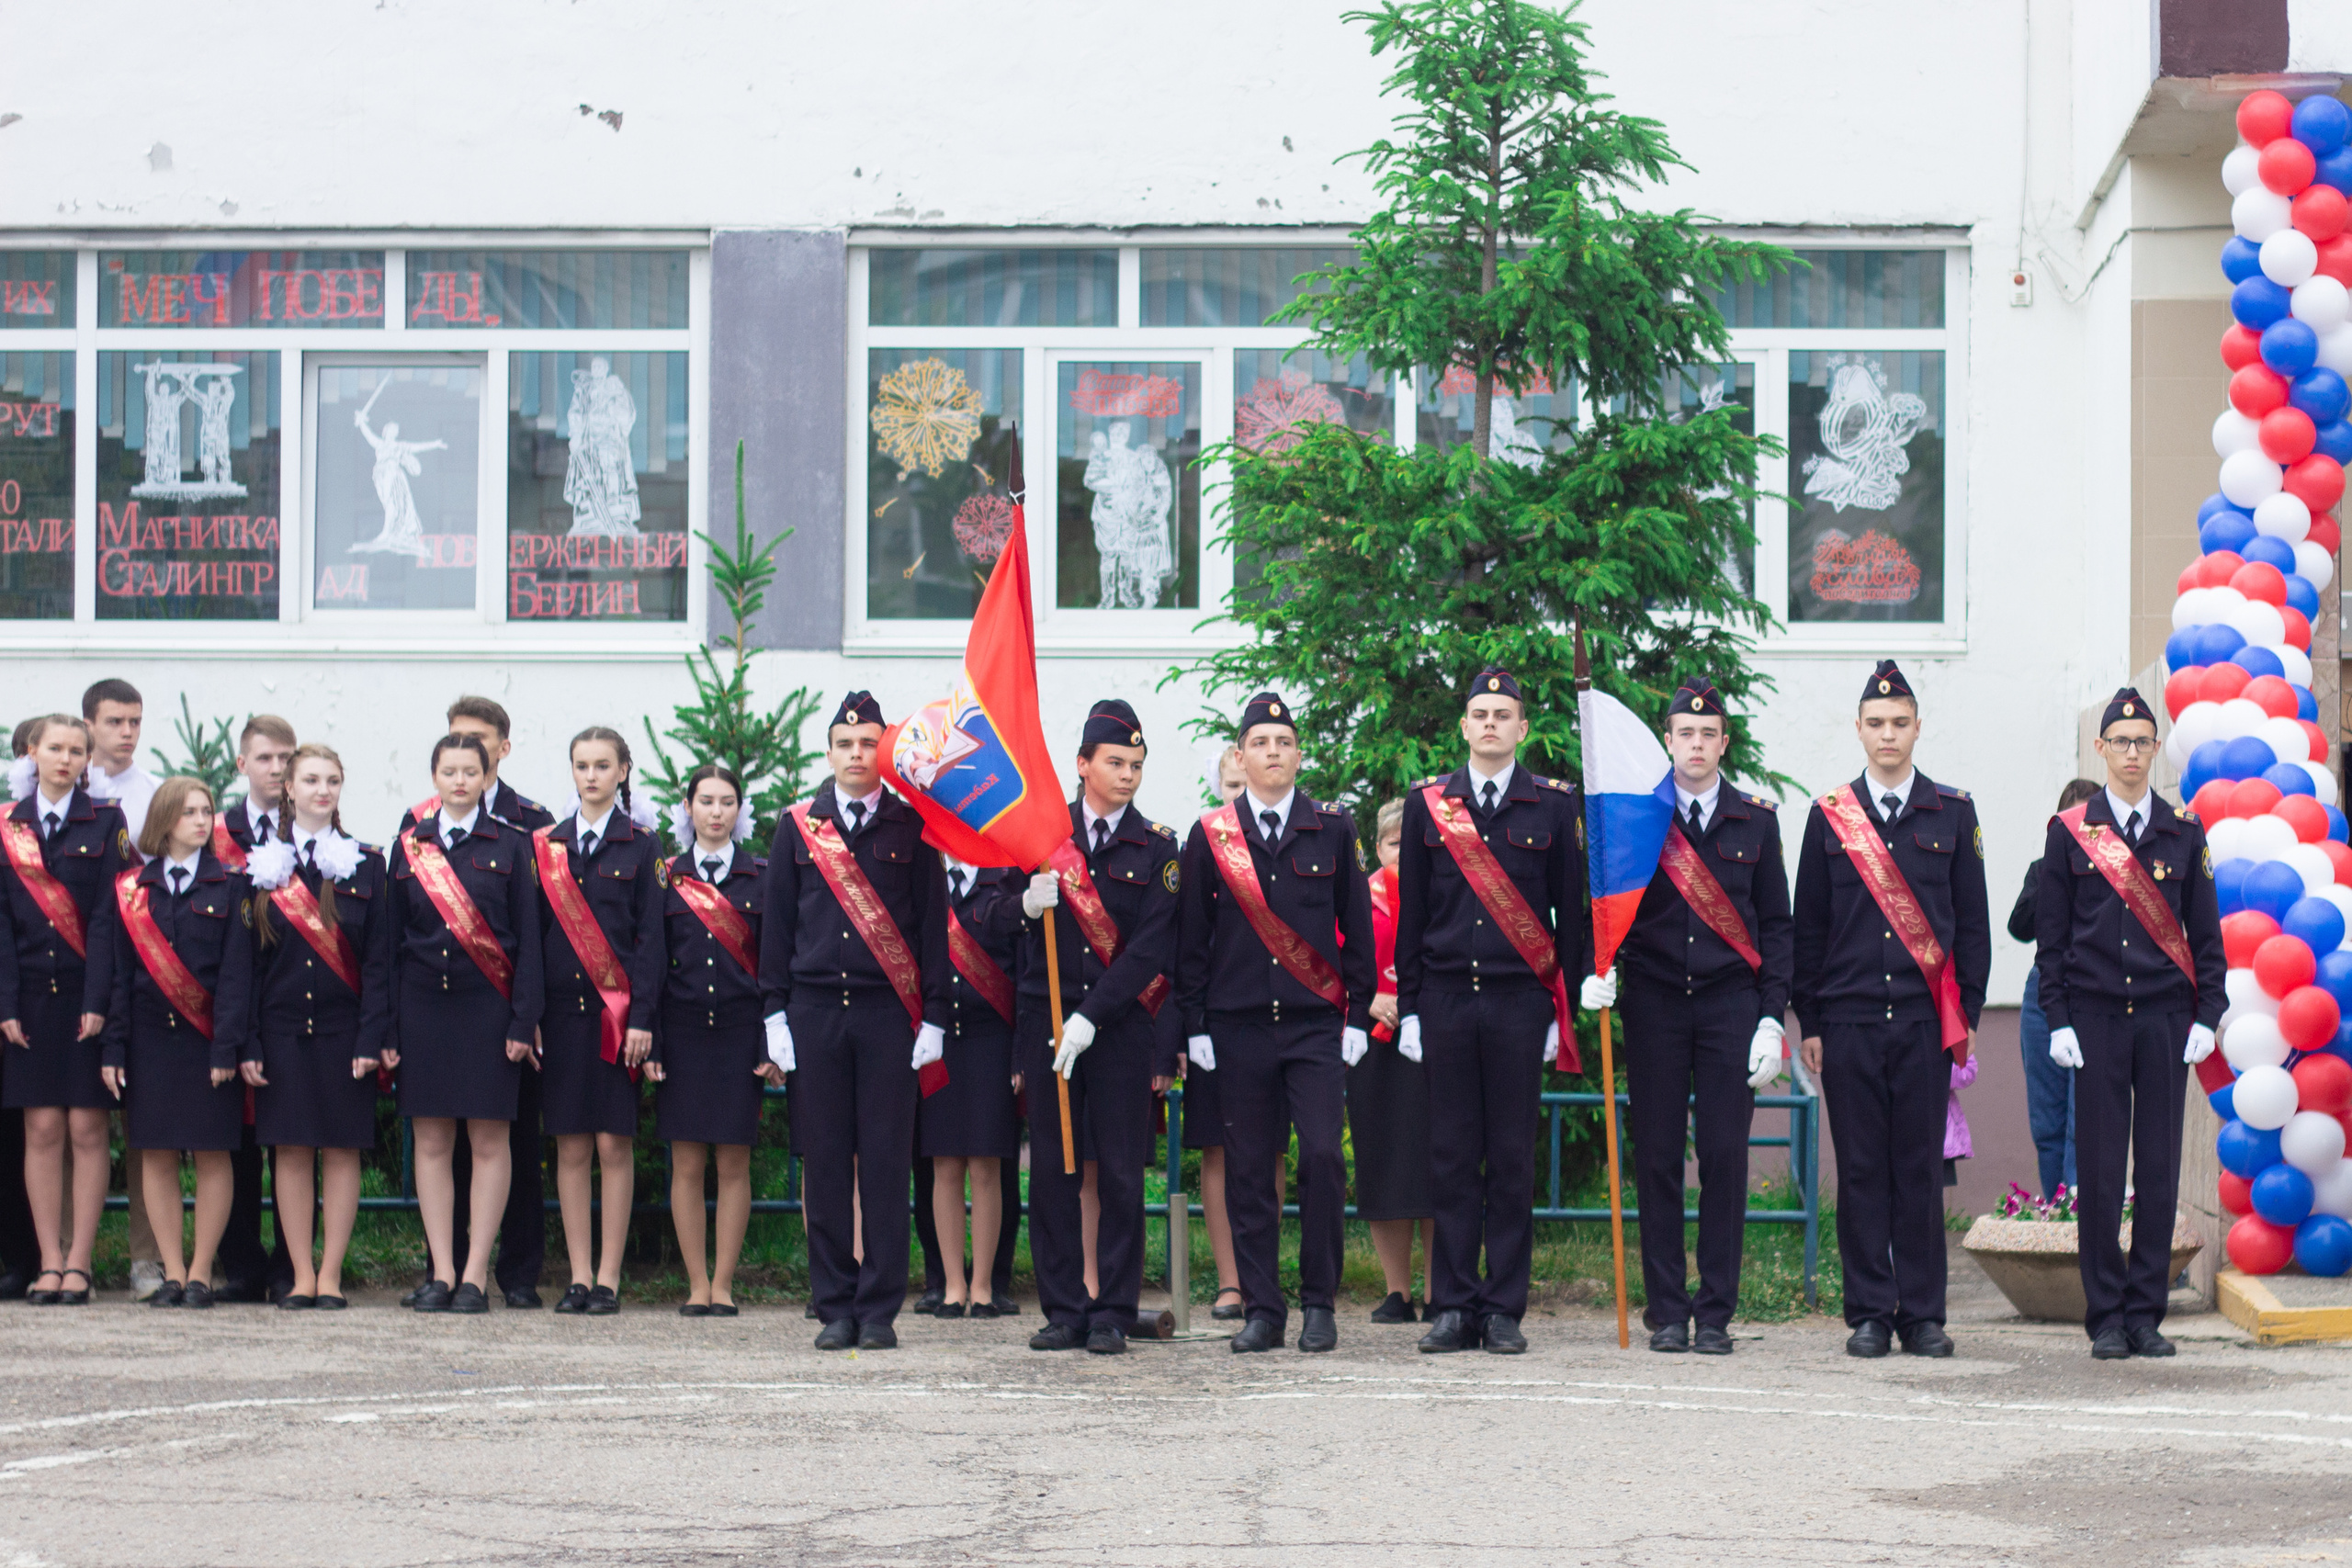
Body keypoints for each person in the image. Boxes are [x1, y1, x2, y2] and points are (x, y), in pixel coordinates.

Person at [1793, 660, 1990, 1359]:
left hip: (1920, 1023)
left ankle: (1923, 1315)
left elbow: (1973, 926)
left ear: (1917, 727)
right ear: (1858, 729)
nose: (1888, 734)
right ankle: (1870, 1312)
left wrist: (1960, 1017)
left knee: (1917, 1170)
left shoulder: (1953, 811)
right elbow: (1807, 928)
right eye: (1876, 723)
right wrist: (1809, 1022)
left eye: (1900, 722)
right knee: (1862, 1171)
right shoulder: (1829, 816)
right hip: (1845, 1023)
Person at [1394, 667, 1589, 1356]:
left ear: (1523, 727)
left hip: (1517, 1001)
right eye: (1479, 713)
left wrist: (1564, 1007)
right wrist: (1411, 1009)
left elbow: (1571, 917)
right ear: (1463, 724)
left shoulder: (1554, 805)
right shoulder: (1429, 805)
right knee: (1450, 1157)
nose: (1489, 724)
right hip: (1446, 999)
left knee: (1510, 1158)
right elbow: (1411, 918)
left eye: (1503, 714)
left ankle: (1503, 1306)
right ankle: (1452, 1303)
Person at [1177, 692, 1375, 1355]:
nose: (1272, 753)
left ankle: (1320, 1301)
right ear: (1241, 755)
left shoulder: (1334, 828)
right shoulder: (1211, 835)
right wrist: (1195, 1023)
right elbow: (1192, 939)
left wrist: (1355, 1007)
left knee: (1322, 1156)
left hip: (1314, 1026)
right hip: (1236, 1028)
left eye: (1283, 743)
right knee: (1250, 1169)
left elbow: (1358, 931)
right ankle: (1264, 1307)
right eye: (1259, 743)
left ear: (1298, 754)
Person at [2032, 687, 2225, 1359]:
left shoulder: (2183, 830)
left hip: (2166, 1019)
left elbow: (2206, 937)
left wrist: (2209, 1014)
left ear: (2155, 748)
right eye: (2122, 741)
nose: (2133, 752)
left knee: (2160, 1169)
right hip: (2095, 1019)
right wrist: (2056, 1018)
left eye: (2144, 740)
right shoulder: (2070, 832)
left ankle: (2146, 1312)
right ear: (2101, 749)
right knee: (2102, 1170)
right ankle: (2105, 1314)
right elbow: (2050, 941)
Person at [1605, 677, 1794, 1355]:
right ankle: (1666, 1311)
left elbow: (1776, 926)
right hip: (1654, 1000)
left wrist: (1772, 1016)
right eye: (1684, 733)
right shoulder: (1636, 817)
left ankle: (1714, 1311)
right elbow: (1609, 906)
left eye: (1707, 733)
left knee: (1723, 1156)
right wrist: (1599, 970)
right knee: (1656, 1157)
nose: (1695, 744)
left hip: (1727, 1006)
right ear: (1668, 739)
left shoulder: (1756, 819)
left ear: (1724, 742)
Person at [761, 692, 949, 1351]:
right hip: (814, 1013)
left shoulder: (912, 825)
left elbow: (932, 927)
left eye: (869, 744)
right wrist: (773, 1013)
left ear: (883, 750)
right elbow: (777, 922)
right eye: (846, 745)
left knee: (887, 1163)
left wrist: (935, 1019)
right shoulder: (799, 825)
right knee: (827, 1163)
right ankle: (833, 1303)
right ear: (830, 752)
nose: (857, 755)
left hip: (887, 1014)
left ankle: (878, 1310)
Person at [1015, 698, 1180, 1355]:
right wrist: (1026, 905)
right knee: (1053, 1171)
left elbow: (1149, 949)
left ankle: (1112, 1308)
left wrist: (1091, 1015)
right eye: (1115, 761)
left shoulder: (1160, 847)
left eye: (1136, 764)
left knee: (1118, 1173)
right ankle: (1063, 1308)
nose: (1127, 774)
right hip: (1046, 1024)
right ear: (1082, 764)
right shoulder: (1039, 837)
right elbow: (1000, 912)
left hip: (1116, 1031)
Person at [401, 695, 555, 1308]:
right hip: (424, 1012)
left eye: (471, 769)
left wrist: (524, 1018)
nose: (460, 779)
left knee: (492, 1142)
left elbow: (532, 943)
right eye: (448, 770)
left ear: (490, 770)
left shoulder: (515, 842)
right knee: (433, 1143)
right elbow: (392, 944)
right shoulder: (411, 844)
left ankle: (474, 1274)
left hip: (488, 1013)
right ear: (434, 777)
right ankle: (440, 1269)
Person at [88, 776, 254, 1308]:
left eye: (207, 811)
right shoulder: (132, 889)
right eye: (189, 812)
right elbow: (118, 977)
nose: (203, 821)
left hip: (206, 1044)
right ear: (164, 821)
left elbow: (236, 977)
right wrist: (113, 1048)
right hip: (149, 1042)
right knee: (155, 1154)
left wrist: (226, 1046)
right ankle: (173, 1272)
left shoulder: (231, 887)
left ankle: (203, 1271)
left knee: (210, 1155)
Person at [236, 743, 390, 1310]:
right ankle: (300, 1273)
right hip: (279, 1034)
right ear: (289, 789)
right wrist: (247, 1040)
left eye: (332, 780)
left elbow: (380, 963)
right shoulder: (261, 866)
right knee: (292, 1152)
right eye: (311, 780)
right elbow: (245, 966)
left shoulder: (366, 862)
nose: (322, 790)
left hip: (344, 1033)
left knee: (343, 1150)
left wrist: (373, 1037)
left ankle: (331, 1274)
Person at [0, 716, 130, 1306]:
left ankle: (80, 1261)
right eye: (55, 748)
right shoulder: (8, 825)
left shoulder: (106, 822)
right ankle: (47, 1259)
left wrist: (99, 1000)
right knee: (42, 1127)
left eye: (76, 750)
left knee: (86, 1126)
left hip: (84, 996)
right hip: (26, 999)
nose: (66, 759)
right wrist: (4, 1003)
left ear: (86, 760)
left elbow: (109, 918)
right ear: (33, 752)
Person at [536, 728, 662, 1315]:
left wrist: (642, 1019)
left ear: (623, 771)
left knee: (613, 1143)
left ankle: (609, 1277)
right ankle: (579, 1275)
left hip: (617, 1022)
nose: (591, 776)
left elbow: (651, 943)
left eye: (603, 765)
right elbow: (535, 943)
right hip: (562, 1018)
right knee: (570, 1146)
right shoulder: (548, 847)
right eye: (582, 764)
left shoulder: (642, 846)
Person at [652, 764, 778, 1316]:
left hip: (739, 1033)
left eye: (727, 802)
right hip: (680, 1034)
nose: (717, 812)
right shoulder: (666, 877)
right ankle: (696, 1283)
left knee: (733, 1163)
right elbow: (651, 965)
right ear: (688, 807)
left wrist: (771, 1041)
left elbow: (774, 963)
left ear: (740, 809)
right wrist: (652, 1041)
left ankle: (724, 1283)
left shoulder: (762, 876)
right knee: (685, 1163)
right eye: (706, 801)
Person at [210, 714, 300, 1303]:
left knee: (294, 1140)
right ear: (243, 765)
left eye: (286, 758)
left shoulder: (314, 828)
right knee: (237, 1141)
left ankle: (293, 1266)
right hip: (232, 1003)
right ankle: (241, 1263)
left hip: (296, 1005)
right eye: (265, 758)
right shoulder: (216, 831)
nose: (278, 769)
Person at [81, 678, 164, 1300]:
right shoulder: (61, 789)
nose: (127, 732)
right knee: (69, 1125)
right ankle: (60, 1253)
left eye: (134, 721)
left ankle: (146, 1257)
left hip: (140, 974)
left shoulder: (154, 795)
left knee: (144, 1127)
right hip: (67, 976)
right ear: (88, 724)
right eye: (114, 721)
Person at [922, 851, 1022, 1320]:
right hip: (937, 1038)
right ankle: (951, 1284)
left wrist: (1022, 1050)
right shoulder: (924, 879)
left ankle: (983, 1285)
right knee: (944, 1164)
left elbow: (1025, 972)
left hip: (991, 1038)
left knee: (986, 1165)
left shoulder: (1005, 879)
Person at [1353, 795, 1433, 1323]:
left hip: (1433, 1040)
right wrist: (1366, 999)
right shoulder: (1360, 897)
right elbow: (1334, 958)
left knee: (1434, 1165)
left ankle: (1440, 1289)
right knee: (1383, 1165)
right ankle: (1396, 1290)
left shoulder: (1443, 893)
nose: (1402, 852)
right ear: (1378, 847)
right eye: (1392, 843)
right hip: (1374, 1041)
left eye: (1412, 843)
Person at [2008, 778, 2099, 1199]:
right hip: (2043, 995)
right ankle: (2056, 1210)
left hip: (2095, 996)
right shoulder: (2042, 868)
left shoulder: (2120, 874)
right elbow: (2019, 928)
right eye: (2074, 821)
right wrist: (2054, 865)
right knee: (2047, 1120)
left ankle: (2082, 1217)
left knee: (2086, 1120)